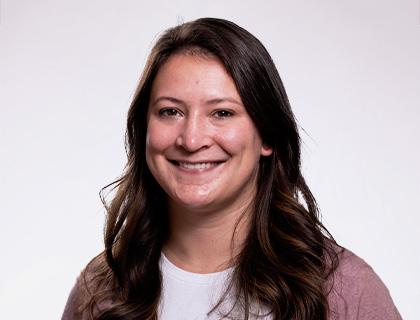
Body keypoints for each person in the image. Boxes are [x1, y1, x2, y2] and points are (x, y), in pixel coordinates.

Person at [62, 18, 401, 320]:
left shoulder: (343, 290)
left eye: (222, 113)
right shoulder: (98, 293)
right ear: (143, 131)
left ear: (267, 134)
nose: (191, 139)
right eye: (170, 111)